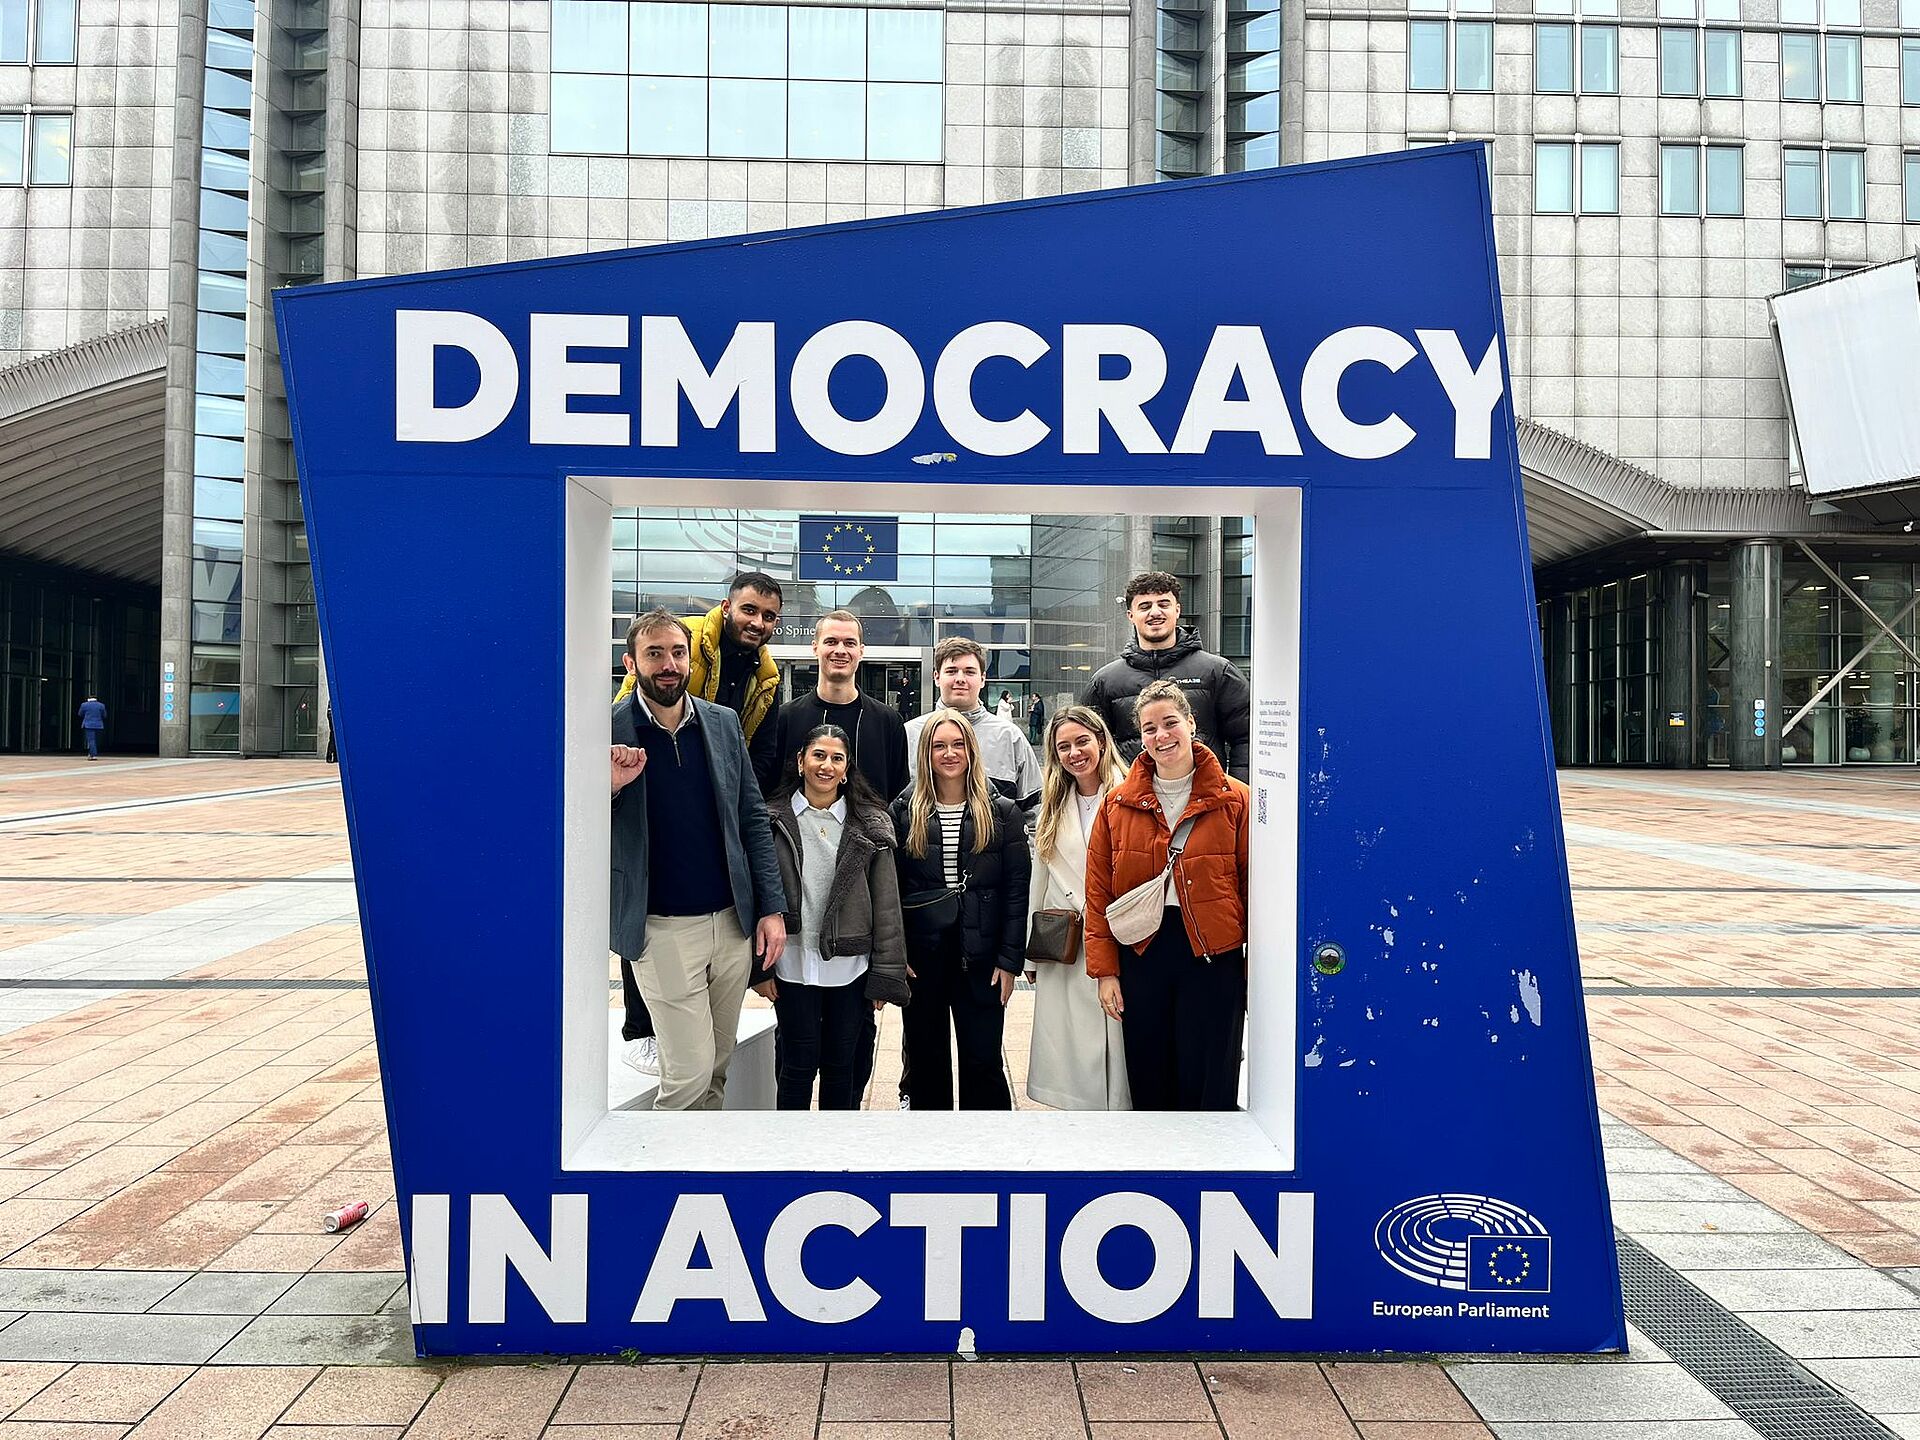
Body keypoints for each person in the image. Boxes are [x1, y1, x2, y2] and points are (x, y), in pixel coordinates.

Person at [610, 609, 787, 1111]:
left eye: (677, 652)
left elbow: (752, 818)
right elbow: (572, 826)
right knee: (687, 1076)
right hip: (661, 930)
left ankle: (698, 1183)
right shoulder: (605, 730)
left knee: (715, 1067)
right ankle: (663, 1184)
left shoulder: (722, 722)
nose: (668, 664)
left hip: (732, 925)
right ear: (631, 662)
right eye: (654, 653)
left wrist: (770, 908)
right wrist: (611, 790)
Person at [1085, 679, 1250, 1112]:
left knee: (1211, 1076)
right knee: (1150, 1073)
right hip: (1144, 950)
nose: (1161, 736)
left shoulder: (1235, 799)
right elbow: (1099, 890)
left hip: (1213, 953)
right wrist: (1106, 972)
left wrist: (1258, 970)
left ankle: (1212, 1168)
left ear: (1192, 724)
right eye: (1149, 728)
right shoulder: (1117, 803)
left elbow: (1253, 886)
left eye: (1170, 723)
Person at [760, 725, 910, 1109]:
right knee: (796, 1066)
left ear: (846, 770)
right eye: (818, 755)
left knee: (842, 1067)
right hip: (792, 964)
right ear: (800, 761)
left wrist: (886, 975)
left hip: (850, 968)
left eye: (836, 758)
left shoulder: (870, 824)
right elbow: (754, 897)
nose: (826, 765)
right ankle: (792, 1159)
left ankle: (835, 1158)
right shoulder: (770, 821)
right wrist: (756, 970)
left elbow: (887, 904)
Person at [892, 711, 1030, 1110]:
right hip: (924, 954)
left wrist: (1009, 960)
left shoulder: (1002, 811)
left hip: (982, 955)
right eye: (939, 746)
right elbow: (892, 889)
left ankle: (986, 1157)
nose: (949, 753)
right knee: (926, 1058)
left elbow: (1015, 891)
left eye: (958, 744)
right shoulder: (904, 809)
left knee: (982, 1059)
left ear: (971, 749)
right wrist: (896, 955)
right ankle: (930, 1156)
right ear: (926, 753)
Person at [1025, 705, 1130, 1111]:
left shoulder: (1129, 791)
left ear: (1102, 741)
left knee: (1116, 1038)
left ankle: (1118, 1118)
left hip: (1116, 932)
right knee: (1070, 1043)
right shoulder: (1054, 800)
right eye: (1063, 746)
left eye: (1082, 741)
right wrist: (1029, 953)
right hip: (1064, 938)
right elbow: (1041, 872)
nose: (1074, 753)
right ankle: (1079, 1118)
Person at [1082, 571, 1252, 784]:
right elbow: (1090, 747)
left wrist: (1236, 796)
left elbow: (1246, 739)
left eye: (1163, 604)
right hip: (1133, 805)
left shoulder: (1218, 672)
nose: (1155, 612)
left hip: (1206, 802)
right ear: (1130, 615)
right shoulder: (1105, 682)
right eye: (1144, 606)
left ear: (1177, 610)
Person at [755, 610, 909, 803]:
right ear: (815, 648)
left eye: (849, 643)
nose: (840, 650)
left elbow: (898, 799)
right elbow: (766, 793)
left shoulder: (888, 723)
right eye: (831, 641)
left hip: (871, 832)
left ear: (861, 651)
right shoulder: (784, 719)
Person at [905, 638, 1042, 809]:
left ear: (983, 679)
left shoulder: (1010, 737)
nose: (960, 679)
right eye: (952, 671)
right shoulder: (908, 735)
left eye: (969, 672)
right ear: (937, 677)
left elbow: (1036, 808)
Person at [77, 695, 105, 760]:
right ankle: (91, 753)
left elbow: (80, 714)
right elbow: (104, 715)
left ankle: (93, 755)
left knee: (91, 740)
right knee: (96, 740)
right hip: (99, 725)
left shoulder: (84, 705)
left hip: (88, 725)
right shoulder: (101, 705)